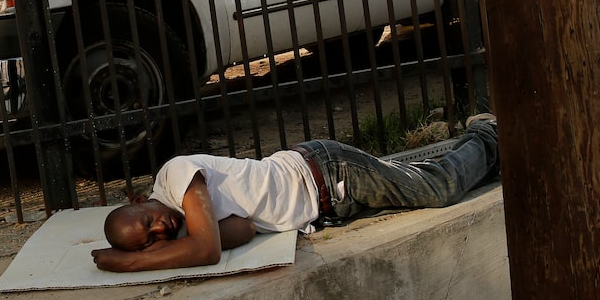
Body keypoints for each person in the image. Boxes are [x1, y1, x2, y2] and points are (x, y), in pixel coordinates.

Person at [92, 115, 499, 273]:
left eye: (148, 221)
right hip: (330, 200)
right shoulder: (185, 224)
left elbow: (209, 252)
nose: (160, 228)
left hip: (330, 172)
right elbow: (244, 230)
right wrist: (174, 244)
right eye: (151, 240)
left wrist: (132, 262)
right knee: (418, 181)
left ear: (137, 200)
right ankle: (485, 153)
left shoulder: (177, 175)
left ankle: (487, 132)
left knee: (437, 189)